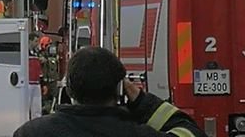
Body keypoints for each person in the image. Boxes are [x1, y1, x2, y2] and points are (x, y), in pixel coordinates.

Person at [14, 46, 207, 137]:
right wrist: (141, 101)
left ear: (70, 89)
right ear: (119, 88)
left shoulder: (31, 133)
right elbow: (191, 133)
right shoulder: (137, 134)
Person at [28, 32, 42, 120]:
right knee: (27, 105)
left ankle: (36, 121)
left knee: (37, 105)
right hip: (28, 83)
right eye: (36, 41)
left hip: (36, 82)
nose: (37, 43)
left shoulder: (36, 52)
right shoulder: (25, 52)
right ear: (30, 41)